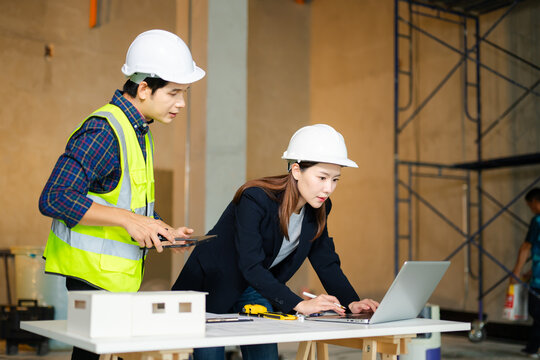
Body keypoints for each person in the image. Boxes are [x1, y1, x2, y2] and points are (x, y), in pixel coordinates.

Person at [38, 29, 205, 360]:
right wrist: (130, 221)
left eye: (184, 93)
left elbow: (122, 201)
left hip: (113, 279)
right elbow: (55, 197)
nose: (182, 103)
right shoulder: (104, 130)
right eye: (174, 93)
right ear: (144, 88)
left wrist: (160, 229)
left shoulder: (139, 132)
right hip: (91, 277)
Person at [172, 124, 380, 360]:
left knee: (265, 354)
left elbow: (326, 262)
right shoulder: (255, 197)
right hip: (212, 285)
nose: (328, 188)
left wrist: (351, 303)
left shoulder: (319, 208)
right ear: (296, 170)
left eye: (335, 180)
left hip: (254, 286)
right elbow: (250, 264)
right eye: (322, 177)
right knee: (209, 356)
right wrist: (299, 304)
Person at [511, 187, 540, 358]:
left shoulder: (537, 221)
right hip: (536, 273)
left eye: (530, 205)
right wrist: (530, 270)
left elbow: (526, 247)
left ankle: (534, 348)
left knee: (536, 311)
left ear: (535, 202)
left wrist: (516, 271)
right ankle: (532, 347)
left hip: (538, 281)